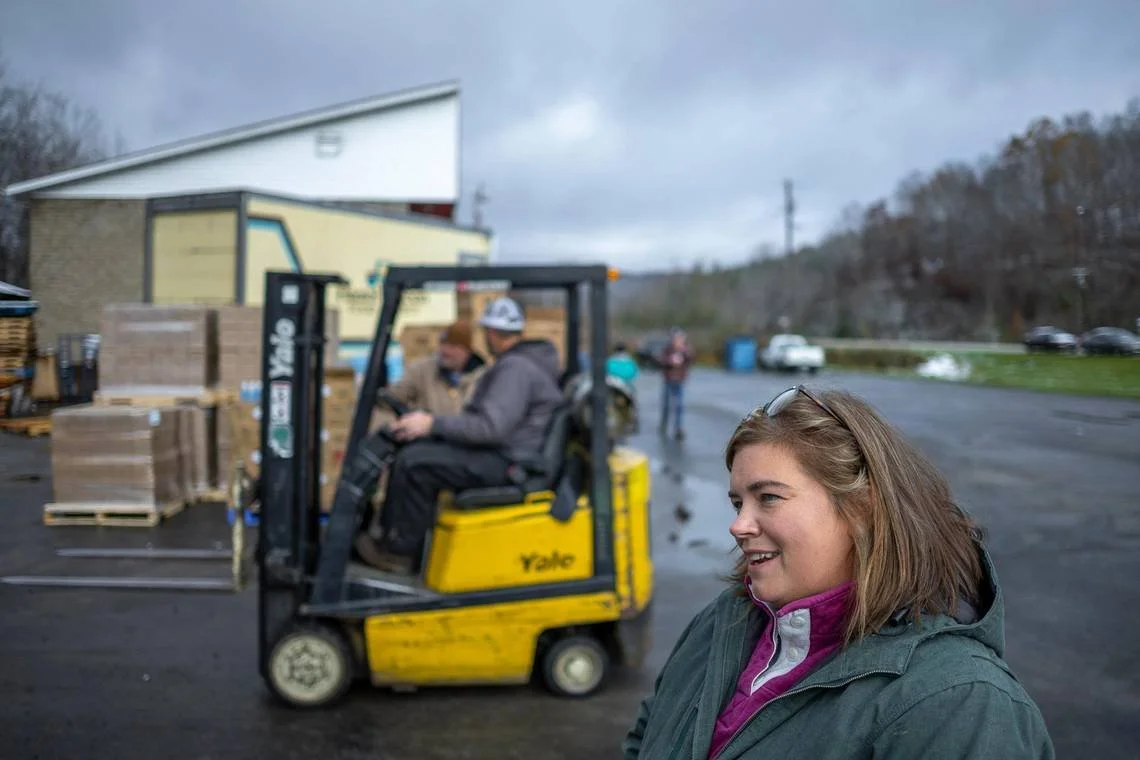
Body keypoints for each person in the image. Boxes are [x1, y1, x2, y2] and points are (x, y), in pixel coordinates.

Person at [623, 385, 1054, 759]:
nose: (738, 525)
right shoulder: (726, 619)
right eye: (739, 503)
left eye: (768, 498)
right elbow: (647, 734)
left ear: (861, 509)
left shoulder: (961, 703)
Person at [355, 296, 564, 574]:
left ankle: (399, 553)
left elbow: (490, 427)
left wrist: (432, 424)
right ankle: (402, 543)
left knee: (415, 464)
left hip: (509, 463)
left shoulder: (516, 368)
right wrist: (432, 429)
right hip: (509, 455)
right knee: (417, 450)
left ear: (490, 333)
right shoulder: (522, 364)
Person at [373, 320, 487, 423]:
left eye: (453, 346)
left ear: (467, 350)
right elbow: (392, 399)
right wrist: (379, 385)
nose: (445, 350)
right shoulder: (422, 370)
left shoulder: (484, 377)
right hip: (428, 442)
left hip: (468, 442)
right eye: (443, 343)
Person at [656, 327, 693, 440]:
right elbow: (660, 360)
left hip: (680, 381)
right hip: (668, 380)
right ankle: (664, 424)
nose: (678, 340)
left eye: (680, 338)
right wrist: (670, 361)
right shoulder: (667, 350)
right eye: (676, 338)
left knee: (679, 406)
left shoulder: (685, 350)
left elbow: (691, 359)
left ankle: (678, 428)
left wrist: (684, 351)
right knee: (666, 405)